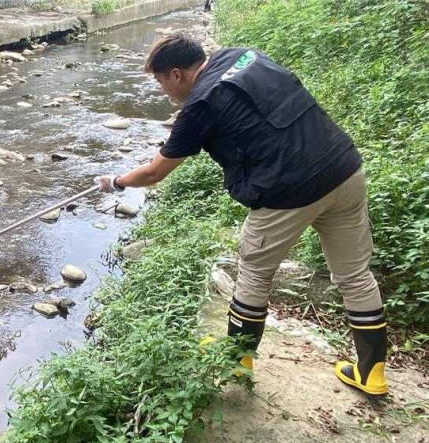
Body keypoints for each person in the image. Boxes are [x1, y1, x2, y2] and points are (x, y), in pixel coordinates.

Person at [96, 34, 388, 395]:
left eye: (160, 82)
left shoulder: (198, 106)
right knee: (355, 275)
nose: (162, 91)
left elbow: (156, 172)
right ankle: (372, 374)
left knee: (254, 273)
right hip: (344, 169)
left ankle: (235, 365)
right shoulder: (245, 56)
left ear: (176, 74)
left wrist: (117, 181)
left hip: (288, 192)